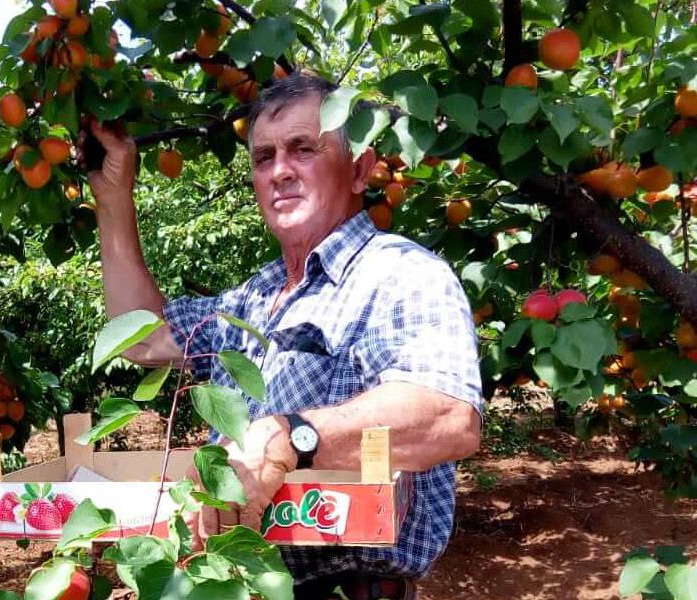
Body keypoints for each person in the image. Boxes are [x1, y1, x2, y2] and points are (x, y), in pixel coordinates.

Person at [80, 73, 483, 600]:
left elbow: (450, 417)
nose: (280, 171)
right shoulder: (252, 298)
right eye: (264, 157)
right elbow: (141, 338)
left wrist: (290, 436)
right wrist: (113, 196)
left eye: (303, 148)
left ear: (359, 169)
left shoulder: (402, 274)